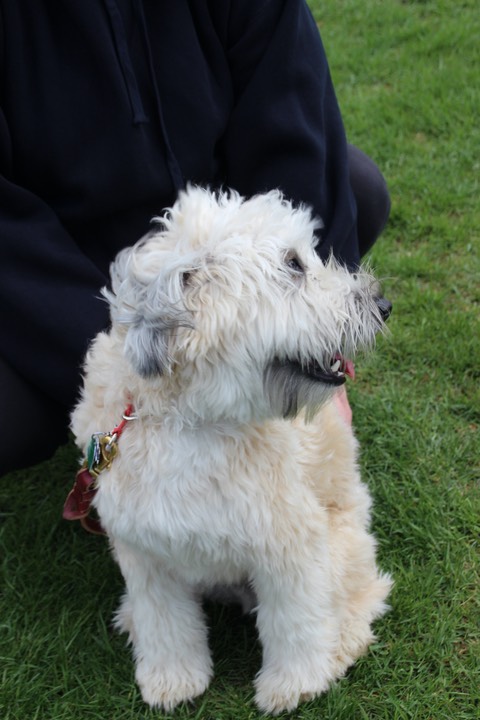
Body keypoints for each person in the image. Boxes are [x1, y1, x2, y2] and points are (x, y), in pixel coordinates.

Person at [0, 0, 390, 476]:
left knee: (357, 188)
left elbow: (288, 111)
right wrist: (117, 370)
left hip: (215, 250)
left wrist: (317, 333)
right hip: (53, 271)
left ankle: (249, 368)